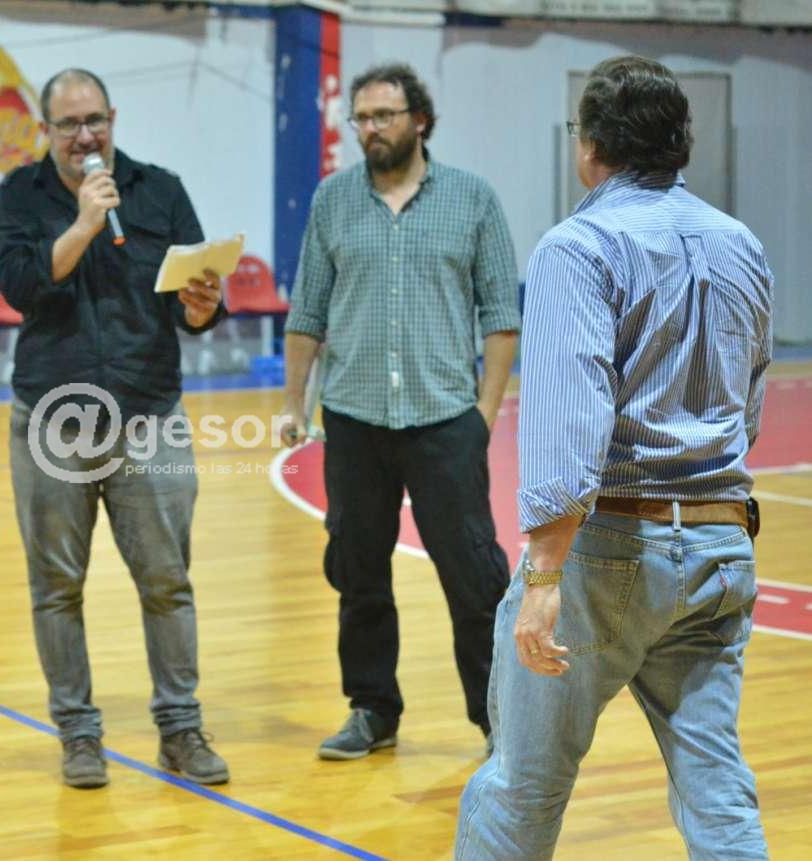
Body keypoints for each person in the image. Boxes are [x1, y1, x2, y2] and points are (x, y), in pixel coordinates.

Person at [455, 56, 772, 859]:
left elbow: (571, 426)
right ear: (679, 144)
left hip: (609, 554)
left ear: (590, 145)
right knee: (718, 792)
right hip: (721, 547)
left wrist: (543, 579)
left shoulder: (577, 247)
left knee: (522, 789)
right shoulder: (742, 246)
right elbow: (748, 413)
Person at [0, 68, 228, 788]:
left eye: (95, 120)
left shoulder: (160, 191)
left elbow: (194, 302)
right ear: (46, 130)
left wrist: (200, 305)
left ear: (113, 118)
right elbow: (22, 287)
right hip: (53, 420)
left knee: (168, 581)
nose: (85, 135)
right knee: (57, 586)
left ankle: (180, 728)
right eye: (69, 124)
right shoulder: (18, 196)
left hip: (148, 412)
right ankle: (79, 734)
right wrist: (83, 225)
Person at [280, 63, 520, 760]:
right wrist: (293, 404)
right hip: (353, 419)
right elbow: (307, 312)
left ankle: (498, 718)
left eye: (383, 115)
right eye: (360, 117)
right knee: (358, 574)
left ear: (419, 119)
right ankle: (372, 709)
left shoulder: (472, 199)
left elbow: (501, 316)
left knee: (474, 576)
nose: (370, 128)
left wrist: (482, 414)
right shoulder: (332, 200)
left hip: (444, 419)